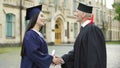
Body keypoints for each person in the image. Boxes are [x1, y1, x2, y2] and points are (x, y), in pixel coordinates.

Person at [60, 3, 107, 68]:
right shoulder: (84, 29)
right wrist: (62, 59)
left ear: (83, 14)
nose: (75, 14)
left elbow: (94, 58)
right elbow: (77, 51)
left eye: (77, 12)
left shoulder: (93, 30)